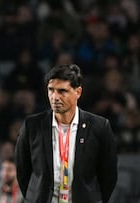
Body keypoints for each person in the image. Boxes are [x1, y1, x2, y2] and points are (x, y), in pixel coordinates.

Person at [14, 64, 117, 203]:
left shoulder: (99, 127)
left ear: (78, 92)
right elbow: (22, 171)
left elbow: (108, 175)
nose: (55, 97)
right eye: (51, 90)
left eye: (62, 91)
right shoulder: (32, 126)